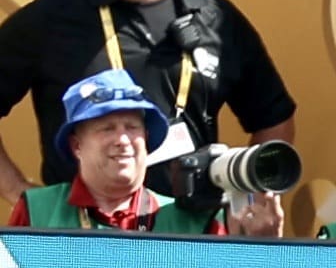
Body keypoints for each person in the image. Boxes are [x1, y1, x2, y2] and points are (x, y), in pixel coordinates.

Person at [0, 0, 295, 210]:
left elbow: (274, 119)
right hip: (83, 229)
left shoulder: (215, 17)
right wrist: (19, 194)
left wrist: (244, 205)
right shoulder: (52, 17)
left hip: (189, 227)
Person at [5, 70, 276, 235]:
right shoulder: (36, 209)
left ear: (145, 139)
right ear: (77, 146)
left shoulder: (195, 221)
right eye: (107, 128)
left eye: (132, 127)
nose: (123, 140)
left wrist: (261, 251)